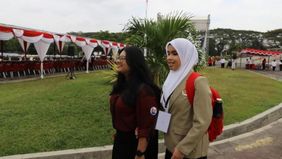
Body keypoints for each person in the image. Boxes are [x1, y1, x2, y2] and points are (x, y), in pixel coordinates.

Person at [160, 38, 212, 159]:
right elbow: (167, 107)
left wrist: (182, 150)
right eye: (168, 53)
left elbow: (202, 122)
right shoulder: (170, 79)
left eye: (174, 53)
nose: (169, 58)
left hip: (189, 152)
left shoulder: (198, 82)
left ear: (186, 55)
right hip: (171, 145)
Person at [109, 46, 160, 159]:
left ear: (134, 62)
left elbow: (146, 126)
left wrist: (140, 153)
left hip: (135, 147)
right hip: (121, 142)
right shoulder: (122, 85)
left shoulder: (144, 91)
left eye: (122, 58)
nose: (118, 61)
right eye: (119, 57)